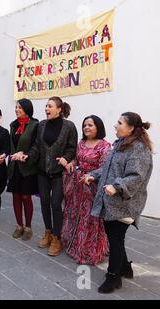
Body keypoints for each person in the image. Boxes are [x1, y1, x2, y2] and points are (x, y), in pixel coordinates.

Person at [83, 112, 153, 294]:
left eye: (120, 123)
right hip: (111, 201)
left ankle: (113, 277)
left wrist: (117, 186)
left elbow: (136, 176)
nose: (115, 125)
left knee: (115, 238)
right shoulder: (121, 144)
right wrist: (94, 175)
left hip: (125, 203)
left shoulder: (138, 148)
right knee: (114, 236)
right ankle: (124, 268)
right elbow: (108, 168)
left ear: (130, 129)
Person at [13, 96, 78, 257]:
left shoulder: (69, 126)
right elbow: (36, 147)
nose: (46, 109)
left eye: (49, 106)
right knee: (44, 202)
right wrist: (28, 156)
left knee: (56, 204)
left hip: (58, 173)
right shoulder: (41, 125)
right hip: (42, 172)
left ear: (59, 109)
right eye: (46, 106)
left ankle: (57, 237)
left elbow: (72, 147)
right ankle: (48, 232)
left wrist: (66, 158)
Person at [62, 116, 111, 265]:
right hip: (78, 186)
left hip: (93, 188)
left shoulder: (105, 146)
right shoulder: (81, 143)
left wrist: (91, 176)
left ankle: (89, 249)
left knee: (90, 218)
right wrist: (71, 163)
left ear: (98, 127)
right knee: (75, 213)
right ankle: (75, 244)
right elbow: (77, 160)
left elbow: (105, 168)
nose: (86, 128)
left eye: (90, 125)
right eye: (84, 125)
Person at [7, 99, 39, 240]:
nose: (16, 109)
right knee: (16, 196)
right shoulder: (13, 125)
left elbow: (36, 146)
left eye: (19, 107)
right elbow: (11, 146)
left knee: (26, 197)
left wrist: (25, 155)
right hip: (14, 167)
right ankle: (19, 225)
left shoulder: (35, 125)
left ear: (27, 109)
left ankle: (28, 227)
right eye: (16, 107)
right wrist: (6, 155)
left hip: (28, 167)